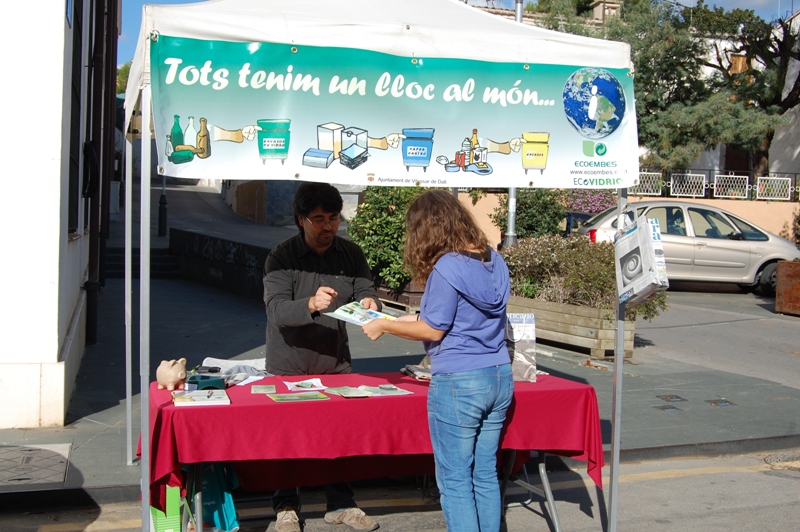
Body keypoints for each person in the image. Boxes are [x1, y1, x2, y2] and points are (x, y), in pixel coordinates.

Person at [362, 189, 513, 532]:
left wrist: (385, 325)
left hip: (461, 381)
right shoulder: (494, 259)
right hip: (499, 374)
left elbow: (433, 330)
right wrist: (398, 321)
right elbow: (457, 320)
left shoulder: (447, 267)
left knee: (455, 480)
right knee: (484, 473)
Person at [263, 182, 381, 532]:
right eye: (318, 219)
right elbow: (275, 310)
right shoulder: (280, 257)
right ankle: (286, 506)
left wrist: (372, 304)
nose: (328, 226)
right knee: (287, 440)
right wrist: (310, 305)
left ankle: (341, 504)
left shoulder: (351, 253)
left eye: (333, 218)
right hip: (289, 363)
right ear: (300, 219)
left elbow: (366, 290)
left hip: (335, 363)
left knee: (339, 437)